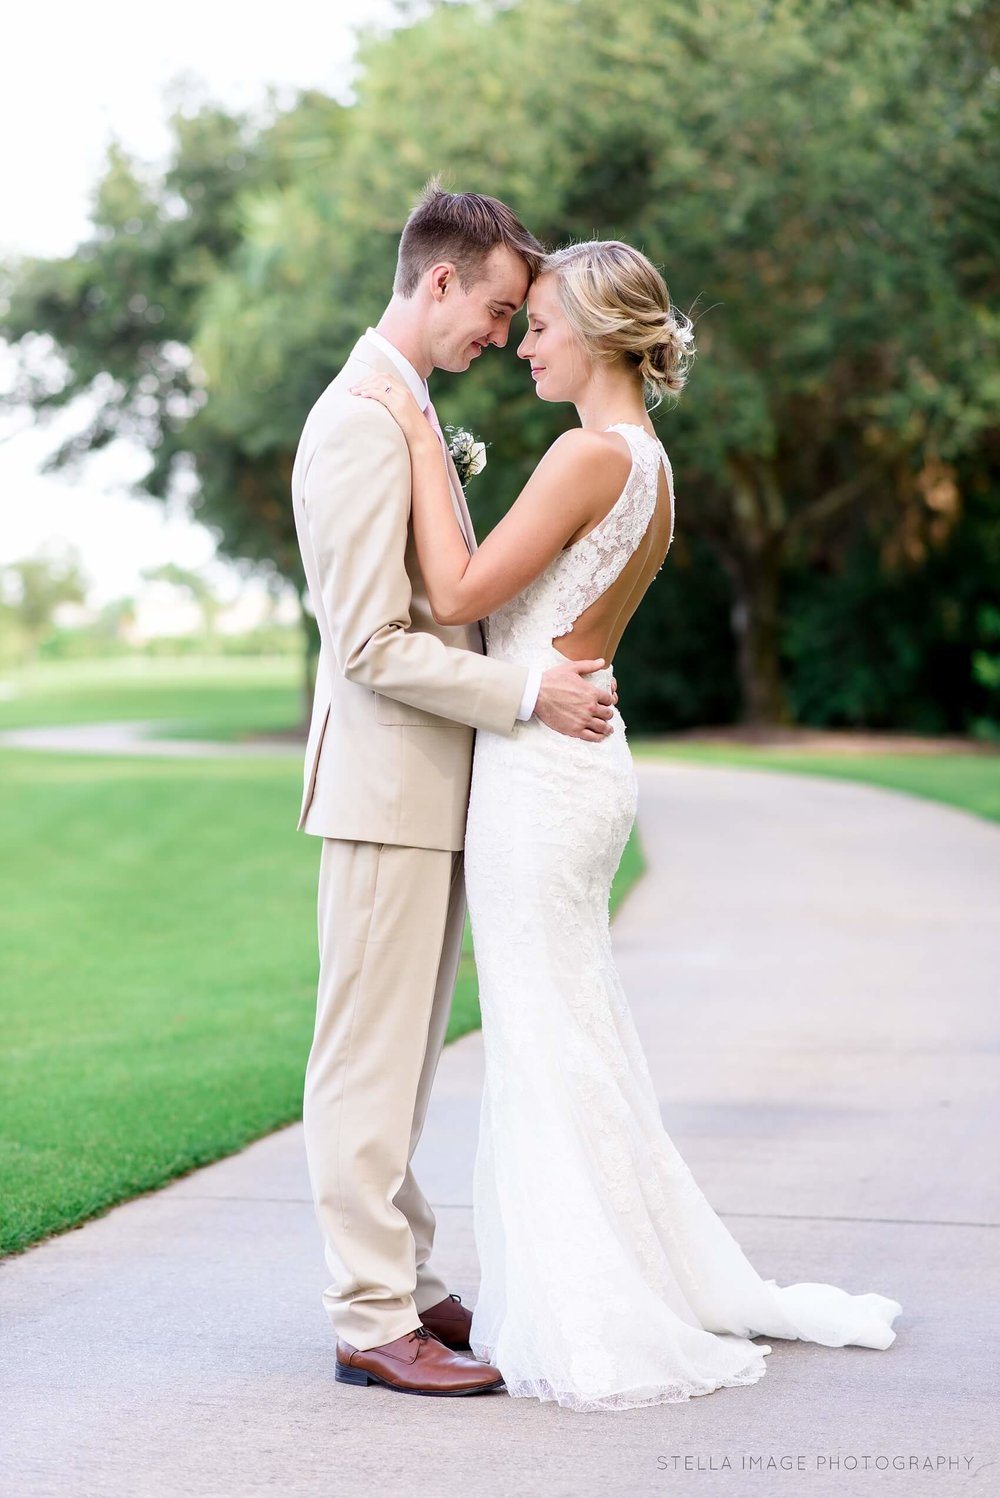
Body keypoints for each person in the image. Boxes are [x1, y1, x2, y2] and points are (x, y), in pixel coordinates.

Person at [351, 237, 903, 1412]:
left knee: (548, 1041)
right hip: (580, 768)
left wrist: (409, 436)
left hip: (539, 775)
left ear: (600, 334)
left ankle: (593, 1302)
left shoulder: (579, 455)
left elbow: (454, 598)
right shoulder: (649, 462)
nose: (525, 343)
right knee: (572, 1030)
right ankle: (619, 1266)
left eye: (540, 322)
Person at [290, 181, 620, 1398]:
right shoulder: (362, 420)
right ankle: (371, 1316)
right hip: (385, 790)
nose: (499, 332)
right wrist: (528, 695)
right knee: (365, 1067)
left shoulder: (406, 408)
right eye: (492, 307)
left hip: (425, 791)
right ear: (438, 281)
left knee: (402, 1064)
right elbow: (370, 643)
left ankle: (413, 1282)